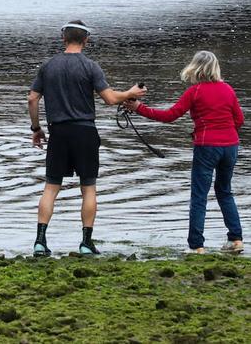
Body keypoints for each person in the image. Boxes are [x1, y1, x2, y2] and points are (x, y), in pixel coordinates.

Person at [28, 21, 146, 256]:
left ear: (63, 38)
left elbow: (32, 99)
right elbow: (110, 99)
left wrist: (36, 129)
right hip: (84, 131)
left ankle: (40, 242)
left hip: (58, 131)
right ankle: (86, 243)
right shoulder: (90, 66)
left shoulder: (48, 66)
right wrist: (131, 93)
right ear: (86, 40)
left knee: (51, 187)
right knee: (88, 188)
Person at [124, 50, 244, 254]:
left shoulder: (195, 91)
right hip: (231, 146)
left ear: (195, 68)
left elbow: (170, 116)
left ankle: (197, 246)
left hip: (207, 147)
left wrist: (139, 108)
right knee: (225, 191)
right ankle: (236, 240)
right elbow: (239, 120)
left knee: (199, 196)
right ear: (215, 68)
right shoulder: (227, 89)